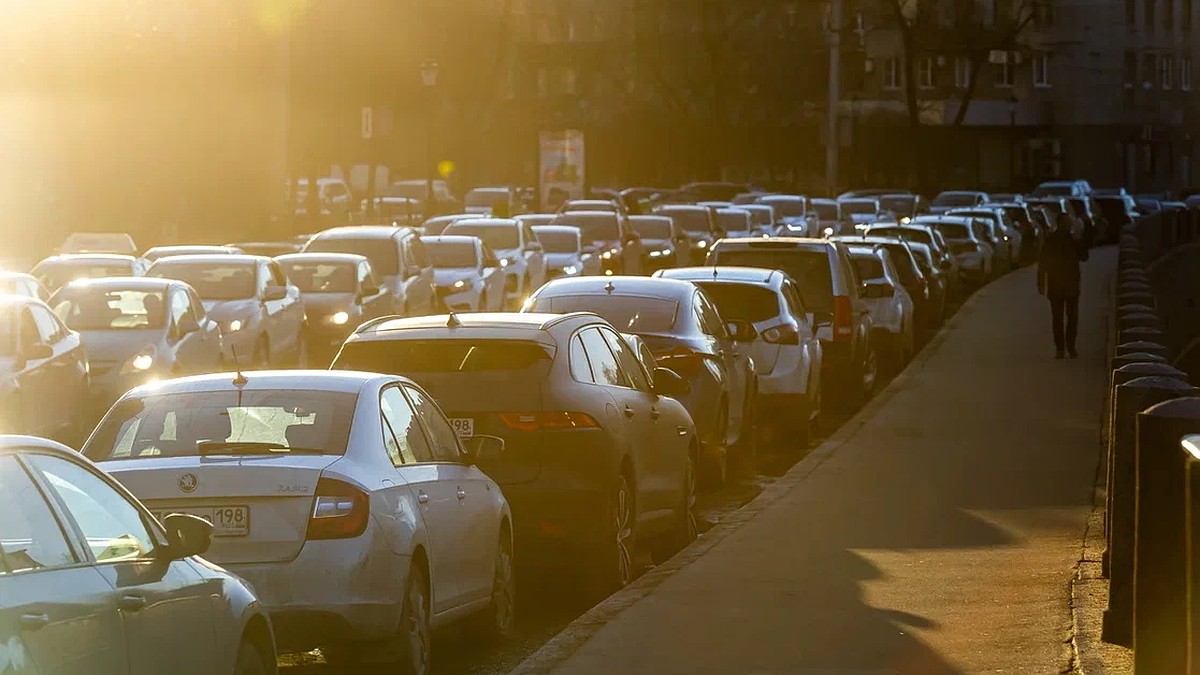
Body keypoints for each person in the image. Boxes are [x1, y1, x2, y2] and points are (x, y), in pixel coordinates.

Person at [1037, 212, 1090, 359]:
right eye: (1068, 223)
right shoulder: (1070, 240)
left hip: (1059, 286)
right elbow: (1084, 256)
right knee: (1070, 318)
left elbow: (1042, 263)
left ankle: (1062, 349)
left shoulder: (1052, 240)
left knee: (1059, 319)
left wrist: (1041, 283)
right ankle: (1069, 348)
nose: (1069, 225)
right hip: (1068, 285)